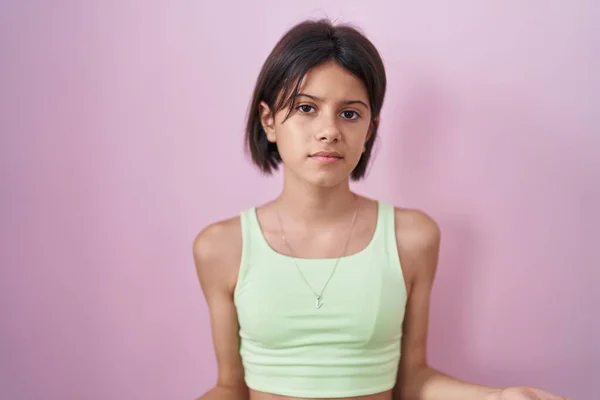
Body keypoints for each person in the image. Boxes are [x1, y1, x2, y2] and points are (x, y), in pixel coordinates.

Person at [193, 18, 569, 400]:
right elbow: (231, 387)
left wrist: (499, 398)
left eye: (350, 113)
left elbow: (411, 379)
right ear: (268, 120)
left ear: (370, 130)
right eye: (307, 108)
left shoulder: (412, 238)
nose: (329, 131)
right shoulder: (221, 247)